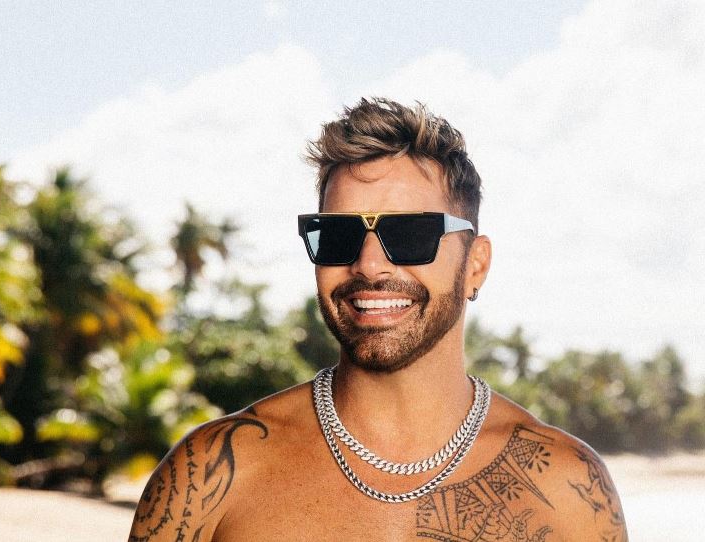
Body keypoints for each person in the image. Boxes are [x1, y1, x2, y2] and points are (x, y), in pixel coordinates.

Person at [129, 98, 628, 541]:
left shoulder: (567, 489)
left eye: (410, 235)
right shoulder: (209, 477)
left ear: (475, 265)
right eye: (338, 236)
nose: (368, 265)